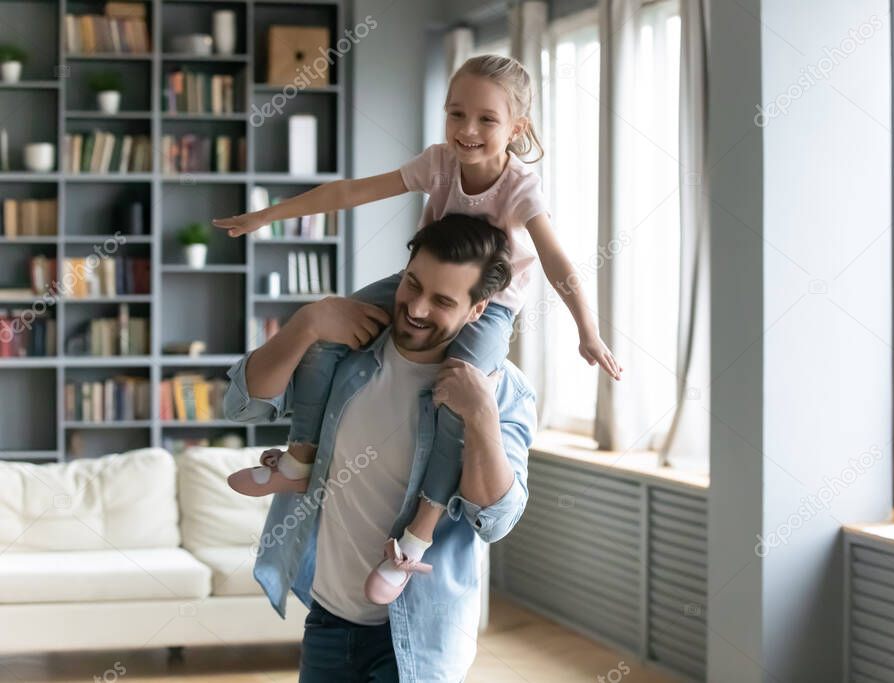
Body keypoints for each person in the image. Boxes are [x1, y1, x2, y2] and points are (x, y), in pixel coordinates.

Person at [214, 54, 621, 604]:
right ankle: (298, 458)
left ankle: (416, 537)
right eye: (456, 114)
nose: (467, 131)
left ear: (517, 129)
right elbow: (348, 192)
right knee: (326, 325)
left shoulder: (521, 188)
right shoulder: (439, 163)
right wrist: (268, 215)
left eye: (486, 120)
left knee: (458, 392)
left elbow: (558, 262)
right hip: (425, 278)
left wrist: (588, 330)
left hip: (490, 305)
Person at [223, 214, 537, 681]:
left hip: (419, 640)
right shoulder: (345, 353)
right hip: (328, 618)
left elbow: (494, 520)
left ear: (477, 309)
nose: (417, 308)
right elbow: (242, 405)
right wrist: (306, 324)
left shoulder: (504, 390)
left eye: (443, 301)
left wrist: (481, 415)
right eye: (413, 284)